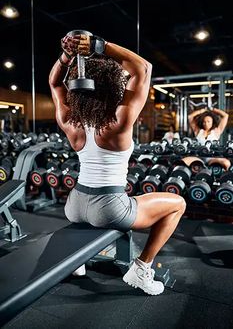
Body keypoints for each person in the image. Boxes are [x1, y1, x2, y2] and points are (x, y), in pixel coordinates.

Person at [49, 31, 186, 296]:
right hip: (109, 209)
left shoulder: (69, 122)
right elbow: (143, 68)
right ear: (114, 89)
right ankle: (142, 268)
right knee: (178, 204)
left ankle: (78, 261)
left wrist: (67, 56)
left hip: (74, 205)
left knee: (123, 200)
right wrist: (100, 46)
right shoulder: (117, 124)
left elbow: (55, 83)